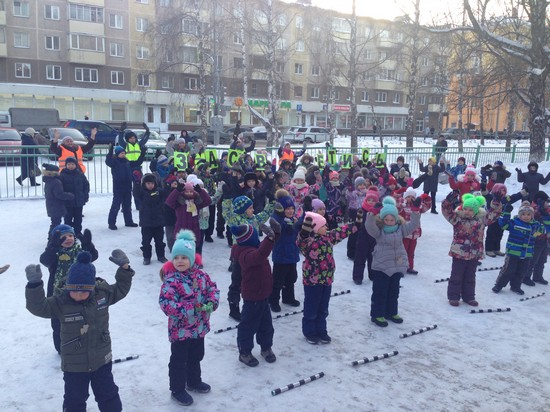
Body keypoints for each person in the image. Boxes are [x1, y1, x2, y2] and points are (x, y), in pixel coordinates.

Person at [25, 249, 134, 412]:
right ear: (68, 287)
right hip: (74, 366)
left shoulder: (102, 295)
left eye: (84, 291)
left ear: (92, 288)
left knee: (109, 395)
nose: (79, 294)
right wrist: (34, 285)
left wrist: (124, 268)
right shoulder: (61, 302)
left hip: (101, 360)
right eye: (74, 290)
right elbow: (38, 307)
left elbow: (121, 289)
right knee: (74, 401)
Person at [159, 230, 219, 406]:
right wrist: (191, 308)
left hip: (199, 328)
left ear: (192, 259)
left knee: (196, 355)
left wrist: (211, 302)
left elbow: (212, 289)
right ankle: (177, 388)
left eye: (184, 258)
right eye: (176, 257)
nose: (179, 261)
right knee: (179, 360)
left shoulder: (201, 276)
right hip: (181, 331)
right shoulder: (171, 281)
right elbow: (166, 304)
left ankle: (193, 381)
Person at [297, 210, 361, 344]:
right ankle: (309, 332)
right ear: (314, 228)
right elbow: (301, 243)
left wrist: (356, 225)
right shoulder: (308, 241)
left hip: (327, 279)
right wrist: (303, 233)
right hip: (312, 280)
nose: (326, 227)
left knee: (323, 307)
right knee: (311, 307)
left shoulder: (328, 237)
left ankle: (321, 330)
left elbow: (341, 231)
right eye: (323, 226)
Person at [39, 224, 98, 352]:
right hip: (58, 294)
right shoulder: (54, 254)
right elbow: (44, 260)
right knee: (58, 322)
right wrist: (53, 246)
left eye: (71, 235)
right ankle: (61, 348)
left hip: (79, 292)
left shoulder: (80, 252)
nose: (68, 238)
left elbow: (93, 257)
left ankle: (81, 344)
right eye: (63, 237)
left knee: (80, 319)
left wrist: (89, 246)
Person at [231, 219, 280, 367]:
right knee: (248, 326)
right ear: (249, 239)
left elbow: (265, 248)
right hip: (252, 298)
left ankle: (266, 347)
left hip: (263, 295)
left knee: (266, 325)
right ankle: (244, 352)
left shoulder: (254, 248)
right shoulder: (244, 254)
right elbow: (260, 255)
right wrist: (269, 238)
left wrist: (276, 233)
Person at [366, 197, 420, 326]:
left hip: (396, 266)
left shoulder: (401, 229)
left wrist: (416, 211)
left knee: (394, 291)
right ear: (382, 220)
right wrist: (372, 213)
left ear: (396, 219)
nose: (389, 222)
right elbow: (369, 226)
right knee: (380, 292)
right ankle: (377, 314)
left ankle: (391, 312)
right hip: (382, 267)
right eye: (386, 219)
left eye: (392, 219)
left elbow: (413, 225)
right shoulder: (379, 232)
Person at [442, 191, 502, 306]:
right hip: (459, 253)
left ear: (476, 211)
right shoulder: (457, 219)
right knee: (456, 275)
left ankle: (469, 297)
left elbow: (495, 213)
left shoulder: (482, 220)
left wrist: (496, 203)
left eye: (470, 210)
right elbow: (447, 212)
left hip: (474, 253)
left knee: (470, 276)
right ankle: (454, 297)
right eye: (466, 209)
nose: (467, 212)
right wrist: (448, 202)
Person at [492, 201, 544, 295]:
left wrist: (536, 232)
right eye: (523, 214)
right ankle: (499, 285)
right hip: (513, 252)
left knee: (521, 271)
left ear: (532, 216)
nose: (526, 216)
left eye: (529, 214)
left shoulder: (534, 225)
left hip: (527, 254)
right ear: (519, 215)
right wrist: (506, 212)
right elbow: (503, 224)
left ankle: (516, 286)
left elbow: (541, 231)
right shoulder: (514, 223)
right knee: (508, 270)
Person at [269, 190, 301, 312]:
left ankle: (288, 297)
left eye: (292, 209)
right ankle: (273, 300)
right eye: (287, 209)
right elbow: (278, 230)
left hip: (292, 255)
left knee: (291, 278)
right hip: (281, 256)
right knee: (278, 280)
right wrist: (285, 224)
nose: (290, 211)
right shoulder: (277, 219)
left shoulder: (293, 219)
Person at [134, 173, 168, 265]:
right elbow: (136, 194)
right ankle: (147, 257)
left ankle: (161, 256)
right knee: (146, 242)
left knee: (159, 242)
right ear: (144, 184)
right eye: (148, 183)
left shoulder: (159, 191)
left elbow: (166, 194)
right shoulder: (142, 192)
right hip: (146, 223)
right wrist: (136, 183)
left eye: (152, 183)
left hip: (158, 222)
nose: (150, 185)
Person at [105, 144, 138, 230]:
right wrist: (110, 152)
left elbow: (130, 172)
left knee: (127, 205)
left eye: (124, 153)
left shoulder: (127, 161)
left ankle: (128, 221)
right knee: (116, 205)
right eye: (121, 153)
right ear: (117, 153)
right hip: (118, 187)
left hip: (127, 186)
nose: (123, 154)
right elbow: (108, 161)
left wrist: (134, 178)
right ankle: (111, 223)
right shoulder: (114, 161)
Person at [59, 157, 90, 236]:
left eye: (72, 164)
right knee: (68, 218)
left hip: (79, 201)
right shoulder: (62, 175)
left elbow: (86, 185)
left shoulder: (80, 174)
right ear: (66, 165)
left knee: (78, 218)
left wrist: (85, 195)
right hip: (68, 202)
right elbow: (60, 188)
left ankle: (78, 231)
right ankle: (68, 232)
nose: (71, 166)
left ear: (76, 165)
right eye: (69, 164)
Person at [42, 163, 75, 238]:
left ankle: (51, 237)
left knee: (54, 222)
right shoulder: (56, 182)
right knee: (56, 223)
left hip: (50, 204)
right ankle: (52, 237)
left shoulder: (48, 181)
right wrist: (70, 195)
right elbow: (59, 194)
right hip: (57, 205)